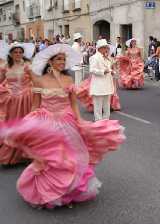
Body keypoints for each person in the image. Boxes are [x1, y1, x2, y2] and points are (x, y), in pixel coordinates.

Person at [0, 43, 125, 208]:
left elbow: (73, 103)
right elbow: (35, 105)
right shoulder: (39, 80)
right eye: (58, 59)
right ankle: (49, 192)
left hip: (66, 121)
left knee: (70, 158)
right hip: (47, 122)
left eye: (63, 59)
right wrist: (28, 123)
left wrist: (79, 120)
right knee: (52, 159)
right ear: (50, 62)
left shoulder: (68, 79)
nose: (61, 62)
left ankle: (68, 191)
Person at [0, 42, 35, 166]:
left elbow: (35, 81)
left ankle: (28, 154)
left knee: (27, 127)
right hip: (13, 102)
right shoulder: (5, 67)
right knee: (14, 127)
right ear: (10, 54)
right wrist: (6, 91)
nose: (18, 54)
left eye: (20, 52)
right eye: (15, 52)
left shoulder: (27, 65)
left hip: (26, 100)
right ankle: (13, 156)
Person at [89, 39, 115, 121]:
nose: (106, 49)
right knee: (98, 109)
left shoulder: (107, 58)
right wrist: (103, 71)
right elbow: (92, 70)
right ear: (100, 48)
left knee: (107, 108)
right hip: (98, 87)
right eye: (105, 47)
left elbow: (108, 69)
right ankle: (99, 125)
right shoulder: (94, 58)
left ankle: (106, 123)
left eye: (107, 48)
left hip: (107, 86)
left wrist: (112, 71)